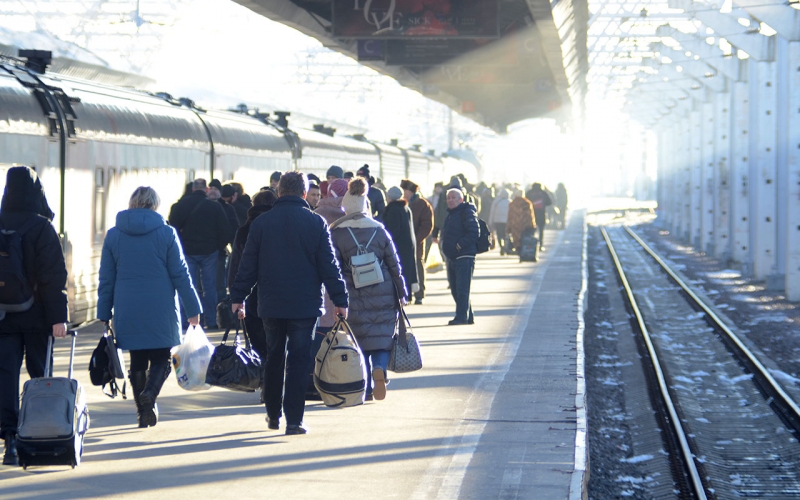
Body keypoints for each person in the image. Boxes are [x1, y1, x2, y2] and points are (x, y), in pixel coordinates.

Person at [231, 172, 348, 435]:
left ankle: (273, 414)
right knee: (298, 359)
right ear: (305, 194)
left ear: (280, 192)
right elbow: (329, 266)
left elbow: (247, 265)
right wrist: (340, 299)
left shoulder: (262, 224)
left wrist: (238, 298)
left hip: (271, 303)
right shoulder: (315, 223)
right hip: (305, 306)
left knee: (274, 356)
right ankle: (294, 420)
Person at [98, 187, 201, 428]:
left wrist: (104, 313)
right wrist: (193, 309)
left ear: (132, 203)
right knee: (162, 359)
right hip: (161, 306)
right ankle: (150, 395)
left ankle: (142, 410)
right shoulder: (167, 233)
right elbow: (180, 274)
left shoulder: (114, 235)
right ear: (155, 205)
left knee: (137, 360)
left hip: (127, 307)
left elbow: (106, 279)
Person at [0, 166, 68, 466]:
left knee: (5, 378)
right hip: (39, 317)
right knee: (41, 377)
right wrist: (58, 317)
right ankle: (41, 432)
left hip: (3, 318)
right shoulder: (41, 227)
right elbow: (53, 275)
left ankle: (10, 440)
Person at [330, 178, 406, 401]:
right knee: (381, 337)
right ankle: (379, 369)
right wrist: (402, 292)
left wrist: (336, 295)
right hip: (382, 290)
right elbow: (394, 263)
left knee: (358, 339)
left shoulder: (337, 232)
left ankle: (364, 386)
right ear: (365, 205)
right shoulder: (379, 230)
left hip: (352, 291)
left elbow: (334, 265)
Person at [168, 178, 229, 329]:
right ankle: (211, 321)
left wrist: (180, 246)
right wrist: (218, 246)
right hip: (209, 252)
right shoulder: (214, 207)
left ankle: (188, 321)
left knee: (188, 287)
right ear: (206, 189)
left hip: (187, 251)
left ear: (193, 189)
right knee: (210, 288)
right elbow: (225, 229)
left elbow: (172, 227)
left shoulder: (180, 205)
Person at [227, 189, 278, 362]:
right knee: (276, 341)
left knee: (256, 339)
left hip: (250, 294)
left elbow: (235, 265)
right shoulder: (279, 227)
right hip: (274, 292)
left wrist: (235, 295)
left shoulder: (244, 230)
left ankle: (263, 373)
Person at [440, 188, 479, 326]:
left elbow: (474, 232)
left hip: (464, 256)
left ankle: (461, 317)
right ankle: (468, 315)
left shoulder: (466, 212)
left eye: (453, 197)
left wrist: (458, 245)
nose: (450, 200)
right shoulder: (451, 214)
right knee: (456, 289)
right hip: (452, 257)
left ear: (461, 199)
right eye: (448, 197)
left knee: (462, 288)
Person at [401, 179, 433, 304]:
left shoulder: (423, 204)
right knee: (405, 268)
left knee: (418, 267)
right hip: (402, 243)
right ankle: (407, 293)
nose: (403, 193)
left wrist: (415, 239)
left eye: (405, 191)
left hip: (417, 244)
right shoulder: (401, 204)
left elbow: (427, 225)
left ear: (410, 191)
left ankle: (419, 293)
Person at [383, 186, 417, 299]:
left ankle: (402, 294)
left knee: (399, 270)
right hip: (407, 245)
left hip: (398, 246)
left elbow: (393, 230)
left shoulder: (393, 209)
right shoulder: (406, 208)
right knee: (407, 269)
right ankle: (408, 294)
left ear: (389, 197)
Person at [507, 190, 535, 254]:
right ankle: (523, 252)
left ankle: (518, 250)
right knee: (524, 239)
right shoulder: (527, 203)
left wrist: (508, 227)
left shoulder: (512, 204)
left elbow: (510, 216)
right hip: (525, 224)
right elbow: (530, 215)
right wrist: (532, 225)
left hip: (515, 224)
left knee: (516, 238)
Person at [526, 183, 552, 251]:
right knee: (541, 230)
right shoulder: (543, 193)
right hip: (541, 214)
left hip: (531, 214)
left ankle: (531, 244)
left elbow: (526, 202)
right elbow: (549, 202)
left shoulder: (529, 192)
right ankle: (541, 245)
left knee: (531, 230)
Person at [489, 188, 511, 256]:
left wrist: (490, 221)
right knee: (506, 235)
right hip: (506, 221)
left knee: (499, 235)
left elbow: (492, 212)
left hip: (497, 220)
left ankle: (501, 247)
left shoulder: (496, 201)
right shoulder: (509, 202)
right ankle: (505, 247)